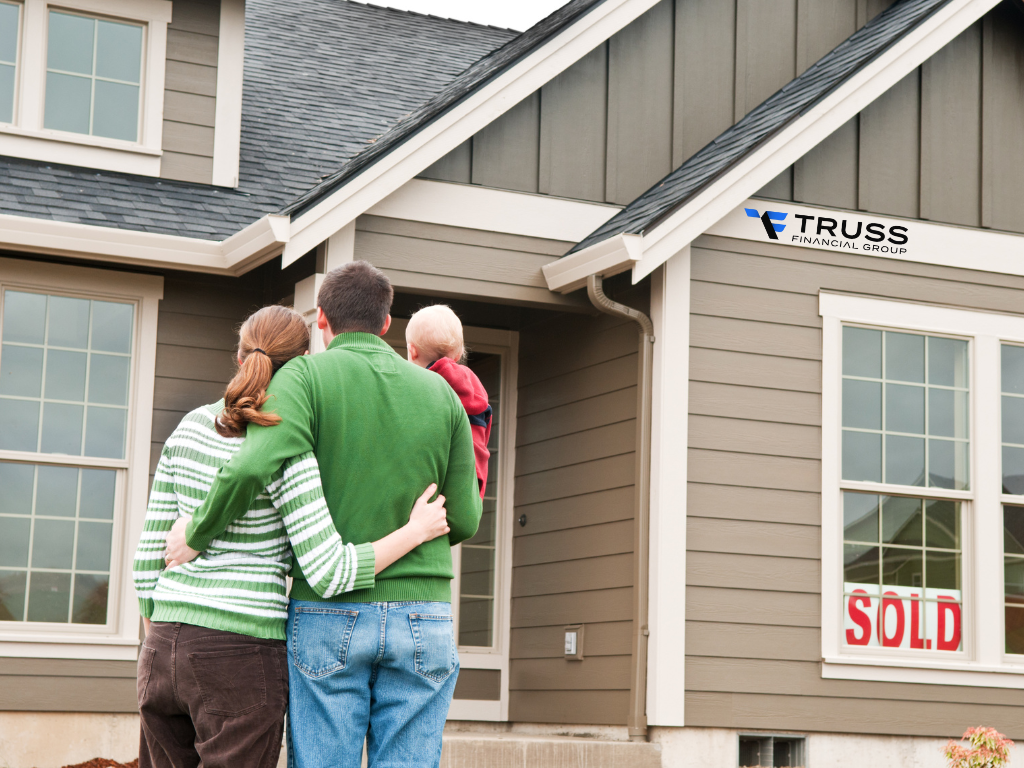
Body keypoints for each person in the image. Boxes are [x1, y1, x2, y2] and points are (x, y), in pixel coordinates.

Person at [164, 262, 482, 768]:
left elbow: (251, 466)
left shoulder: (305, 378)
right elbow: (465, 518)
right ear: (386, 322)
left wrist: (198, 533)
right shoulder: (441, 393)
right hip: (425, 613)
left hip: (328, 613)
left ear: (322, 320)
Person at [405, 304, 492, 496]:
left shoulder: (416, 387)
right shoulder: (475, 387)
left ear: (412, 351)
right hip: (472, 483)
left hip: (429, 484)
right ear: (459, 354)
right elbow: (485, 431)